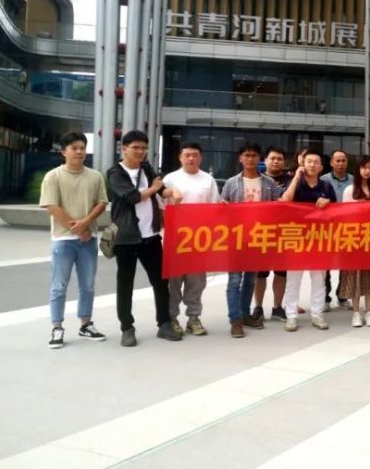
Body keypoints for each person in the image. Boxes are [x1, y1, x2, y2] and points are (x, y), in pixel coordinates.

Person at [107, 129, 183, 347]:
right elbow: (131, 197)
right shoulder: (115, 172)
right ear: (124, 149)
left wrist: (172, 192)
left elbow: (161, 191)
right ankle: (127, 328)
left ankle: (164, 324)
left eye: (144, 148)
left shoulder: (146, 168)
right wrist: (155, 188)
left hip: (151, 237)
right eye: (135, 148)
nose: (140, 152)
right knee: (125, 284)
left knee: (161, 282)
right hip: (126, 238)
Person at [39, 131, 109, 349]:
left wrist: (86, 224)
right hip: (63, 239)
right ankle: (57, 327)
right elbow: (52, 206)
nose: (79, 151)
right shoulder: (53, 176)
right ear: (64, 152)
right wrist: (78, 228)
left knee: (87, 284)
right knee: (59, 285)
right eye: (74, 148)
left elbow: (101, 203)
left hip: (89, 239)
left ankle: (85, 324)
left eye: (82, 147)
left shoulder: (95, 176)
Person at [220, 143, 279, 337]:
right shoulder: (231, 183)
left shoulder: (269, 183)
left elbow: (278, 207)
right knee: (234, 280)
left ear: (259, 159)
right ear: (241, 158)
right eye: (247, 155)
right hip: (236, 238)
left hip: (258, 237)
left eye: (254, 156)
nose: (251, 159)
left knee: (250, 280)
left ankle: (245, 314)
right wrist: (223, 206)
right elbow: (222, 209)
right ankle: (235, 319)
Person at [163, 141, 221, 336]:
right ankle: (171, 318)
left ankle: (193, 318)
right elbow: (161, 209)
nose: (191, 158)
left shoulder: (208, 180)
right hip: (176, 239)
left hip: (199, 240)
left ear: (200, 157)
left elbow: (214, 208)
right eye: (187, 155)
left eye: (195, 155)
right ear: (180, 157)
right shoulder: (170, 180)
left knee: (196, 282)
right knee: (173, 282)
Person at [279, 149, 336, 330]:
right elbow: (285, 200)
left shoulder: (326, 186)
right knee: (293, 280)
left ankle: (317, 315)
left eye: (315, 162)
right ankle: (291, 316)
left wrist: (327, 204)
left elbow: (336, 212)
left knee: (319, 279)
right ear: (303, 164)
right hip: (296, 237)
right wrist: (296, 177)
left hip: (319, 239)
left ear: (321, 167)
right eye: (308, 161)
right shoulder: (295, 182)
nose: (312, 164)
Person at [339, 156, 370, 327]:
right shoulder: (349, 190)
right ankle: (355, 312)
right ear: (357, 170)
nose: (367, 171)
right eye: (363, 167)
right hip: (355, 239)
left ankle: (368, 311)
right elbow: (344, 217)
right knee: (355, 275)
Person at [258, 146, 290, 320]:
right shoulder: (258, 179)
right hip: (261, 232)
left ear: (284, 162)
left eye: (279, 159)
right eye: (272, 158)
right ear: (265, 160)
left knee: (281, 272)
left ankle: (277, 307)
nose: (276, 161)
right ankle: (258, 307)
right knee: (260, 273)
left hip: (284, 233)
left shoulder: (291, 180)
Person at [321, 149, 352, 309]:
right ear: (332, 162)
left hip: (348, 228)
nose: (340, 164)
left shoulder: (354, 180)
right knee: (325, 264)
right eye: (337, 161)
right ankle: (325, 297)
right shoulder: (323, 180)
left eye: (343, 160)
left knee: (345, 264)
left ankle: (343, 295)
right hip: (327, 228)